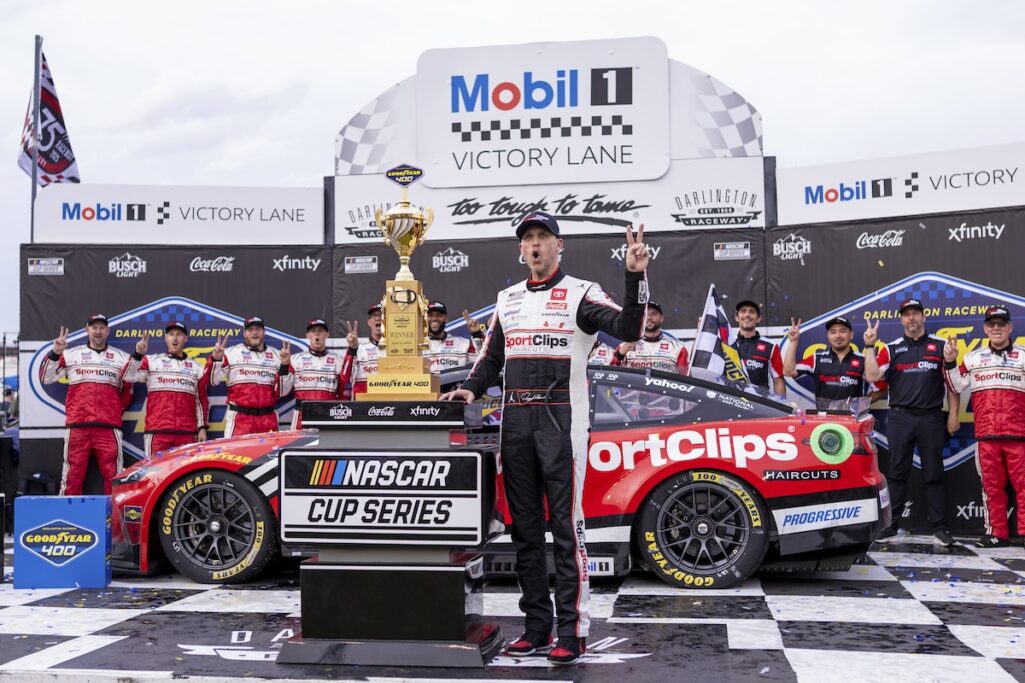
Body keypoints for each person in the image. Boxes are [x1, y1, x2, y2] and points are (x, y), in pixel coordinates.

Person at [442, 211, 648, 666]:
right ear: (521, 249)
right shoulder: (508, 298)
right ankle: (537, 627)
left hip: (562, 422)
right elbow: (490, 358)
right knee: (525, 531)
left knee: (567, 530)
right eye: (528, 238)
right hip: (515, 423)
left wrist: (635, 277)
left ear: (559, 245)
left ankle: (572, 632)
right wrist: (470, 389)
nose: (535, 245)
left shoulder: (582, 292)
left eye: (543, 237)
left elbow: (630, 330)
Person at [864, 298, 960, 546]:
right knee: (897, 474)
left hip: (931, 417)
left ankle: (940, 528)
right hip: (900, 417)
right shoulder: (891, 348)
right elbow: (872, 375)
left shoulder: (941, 346)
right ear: (901, 319)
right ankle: (891, 525)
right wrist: (869, 346)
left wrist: (953, 415)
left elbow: (953, 384)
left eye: (916, 313)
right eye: (907, 314)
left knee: (934, 473)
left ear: (924, 317)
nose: (912, 318)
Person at [943, 305, 1025, 548]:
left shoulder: (1023, 355)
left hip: (1020, 435)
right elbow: (956, 386)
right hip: (986, 436)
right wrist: (950, 361)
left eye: (1001, 324)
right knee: (991, 487)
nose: (996, 328)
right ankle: (996, 533)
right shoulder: (973, 357)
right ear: (985, 329)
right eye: (992, 324)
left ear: (1010, 327)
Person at [40, 314, 132, 495]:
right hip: (78, 426)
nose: (98, 331)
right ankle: (68, 512)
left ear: (108, 331)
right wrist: (55, 352)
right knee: (72, 477)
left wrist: (113, 411)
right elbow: (46, 377)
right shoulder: (71, 355)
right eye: (94, 327)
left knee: (114, 477)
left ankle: (114, 514)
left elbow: (128, 391)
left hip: (108, 428)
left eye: (101, 327)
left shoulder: (121, 358)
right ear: (86, 330)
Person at [122, 321, 209, 457]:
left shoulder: (197, 367)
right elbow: (127, 376)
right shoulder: (151, 361)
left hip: (187, 433)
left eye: (179, 334)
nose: (175, 338)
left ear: (185, 338)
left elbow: (201, 400)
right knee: (154, 470)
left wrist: (202, 427)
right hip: (158, 432)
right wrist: (138, 354)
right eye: (171, 334)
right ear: (165, 338)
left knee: (184, 470)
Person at [209, 316, 292, 437]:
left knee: (268, 450)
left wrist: (284, 365)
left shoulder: (278, 356)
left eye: (258, 329)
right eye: (250, 329)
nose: (254, 333)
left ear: (264, 332)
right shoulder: (231, 353)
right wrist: (216, 359)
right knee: (236, 450)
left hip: (268, 419)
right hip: (240, 420)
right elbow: (213, 381)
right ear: (244, 333)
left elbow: (283, 392)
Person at [782, 315, 884, 406]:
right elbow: (788, 371)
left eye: (842, 331)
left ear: (851, 335)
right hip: (824, 418)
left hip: (853, 419)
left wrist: (859, 406)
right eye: (833, 332)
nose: (838, 336)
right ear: (828, 336)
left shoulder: (863, 360)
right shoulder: (817, 359)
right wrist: (793, 342)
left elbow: (880, 389)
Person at [288, 318, 346, 428]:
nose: (317, 334)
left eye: (320, 331)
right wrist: (284, 365)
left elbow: (344, 391)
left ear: (327, 334)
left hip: (328, 412)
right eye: (313, 331)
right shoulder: (295, 359)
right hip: (302, 413)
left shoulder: (338, 360)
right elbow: (283, 391)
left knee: (328, 440)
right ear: (307, 335)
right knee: (299, 440)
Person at [611, 301, 688, 374]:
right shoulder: (624, 347)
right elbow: (610, 375)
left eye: (653, 314)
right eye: (645, 314)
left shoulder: (678, 349)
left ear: (662, 318)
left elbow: (685, 378)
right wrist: (619, 354)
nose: (649, 317)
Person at [731, 300, 785, 395]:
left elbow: (778, 381)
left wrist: (782, 402)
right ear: (736, 317)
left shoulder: (771, 346)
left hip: (759, 401)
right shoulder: (728, 343)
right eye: (743, 311)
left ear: (759, 318)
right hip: (731, 399)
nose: (747, 315)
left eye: (752, 312)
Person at [341, 304, 385, 398]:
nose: (378, 318)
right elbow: (345, 378)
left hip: (388, 403)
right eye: (374, 315)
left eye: (381, 314)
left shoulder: (396, 349)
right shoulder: (359, 348)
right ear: (369, 322)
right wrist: (352, 349)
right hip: (363, 404)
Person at [424, 301, 477, 373]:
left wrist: (476, 334)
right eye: (430, 315)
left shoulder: (463, 344)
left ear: (446, 318)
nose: (434, 318)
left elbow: (480, 363)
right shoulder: (416, 347)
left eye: (438, 315)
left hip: (455, 380)